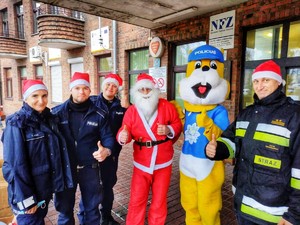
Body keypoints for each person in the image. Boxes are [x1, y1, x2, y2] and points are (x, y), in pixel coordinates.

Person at [205, 60, 300, 225]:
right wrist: (218, 148)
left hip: (275, 214)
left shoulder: (294, 115)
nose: (259, 85)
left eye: (266, 80)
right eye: (256, 81)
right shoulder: (247, 113)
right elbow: (232, 141)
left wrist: (294, 214)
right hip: (243, 205)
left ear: (279, 82)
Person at [1, 79, 73, 225]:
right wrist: (27, 200)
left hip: (43, 189)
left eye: (44, 95)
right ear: (25, 98)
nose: (41, 100)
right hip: (28, 194)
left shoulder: (49, 119)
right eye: (35, 96)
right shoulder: (17, 123)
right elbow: (16, 167)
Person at [117, 73, 182, 225]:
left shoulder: (167, 106)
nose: (145, 92)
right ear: (136, 92)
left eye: (148, 89)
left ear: (154, 90)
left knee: (159, 200)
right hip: (141, 162)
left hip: (163, 161)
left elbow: (178, 125)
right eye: (141, 90)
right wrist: (123, 136)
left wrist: (168, 129)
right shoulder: (132, 111)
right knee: (137, 199)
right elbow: (123, 131)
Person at [52, 72, 115, 225]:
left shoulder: (99, 113)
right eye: (77, 88)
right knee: (65, 211)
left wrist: (106, 150)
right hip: (66, 169)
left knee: (91, 210)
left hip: (90, 169)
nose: (82, 91)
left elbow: (108, 137)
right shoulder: (56, 113)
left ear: (90, 90)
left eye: (85, 88)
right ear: (71, 89)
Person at [78, 73, 129, 225]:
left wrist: (128, 108)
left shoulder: (122, 106)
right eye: (108, 84)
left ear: (117, 89)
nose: (110, 88)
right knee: (90, 187)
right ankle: (85, 217)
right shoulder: (91, 102)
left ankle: (106, 217)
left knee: (108, 185)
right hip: (92, 155)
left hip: (111, 154)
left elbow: (129, 125)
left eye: (114, 86)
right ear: (103, 85)